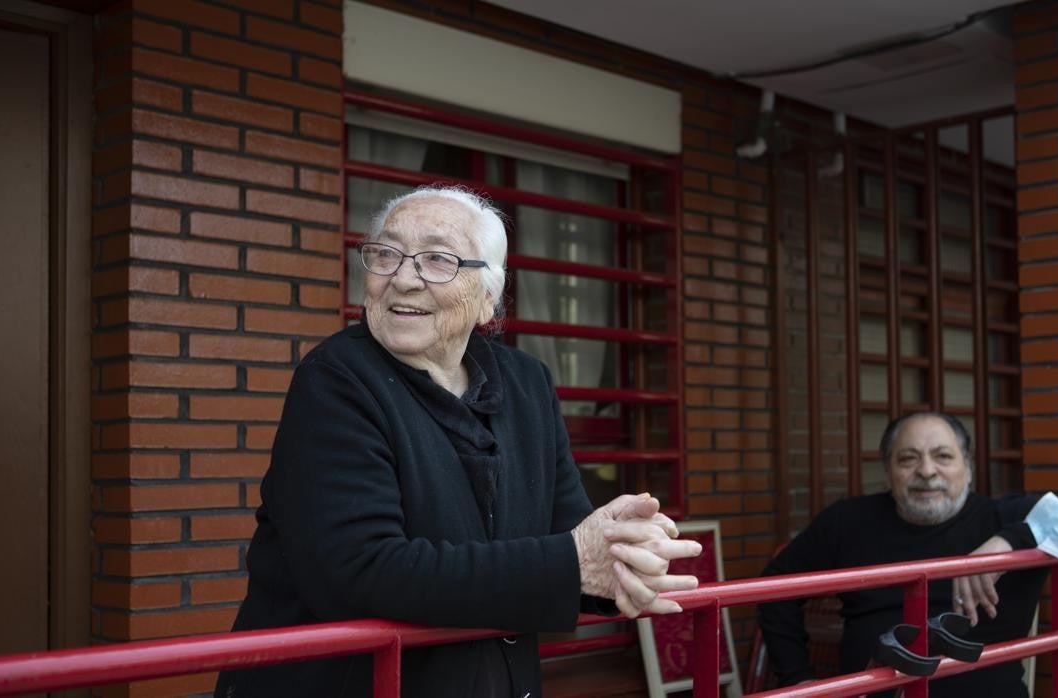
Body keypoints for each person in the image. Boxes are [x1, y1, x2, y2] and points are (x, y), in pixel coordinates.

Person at [215, 185, 702, 697]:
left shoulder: (526, 384)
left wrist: (620, 563)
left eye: (437, 259)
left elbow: (567, 536)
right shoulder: (335, 380)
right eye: (386, 254)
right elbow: (360, 570)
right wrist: (573, 563)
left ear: (488, 298)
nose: (404, 279)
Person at [757, 412, 1058, 697]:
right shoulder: (848, 521)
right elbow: (774, 588)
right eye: (908, 459)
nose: (926, 471)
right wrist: (799, 679)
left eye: (943, 456)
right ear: (888, 471)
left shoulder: (1002, 518)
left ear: (967, 468)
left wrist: (1011, 541)